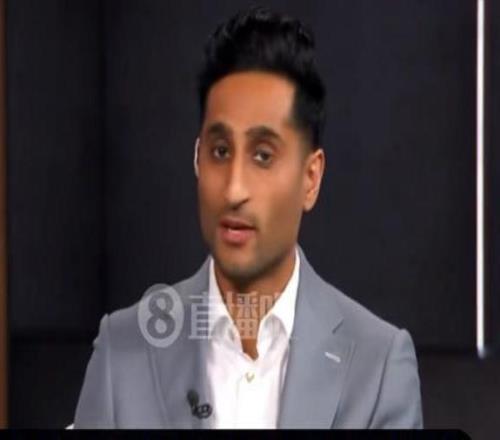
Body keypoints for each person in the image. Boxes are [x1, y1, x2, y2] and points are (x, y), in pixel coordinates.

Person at [74, 6, 423, 429]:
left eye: (263, 156)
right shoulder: (122, 352)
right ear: (197, 158)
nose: (234, 189)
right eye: (220, 152)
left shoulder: (379, 368)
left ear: (310, 178)